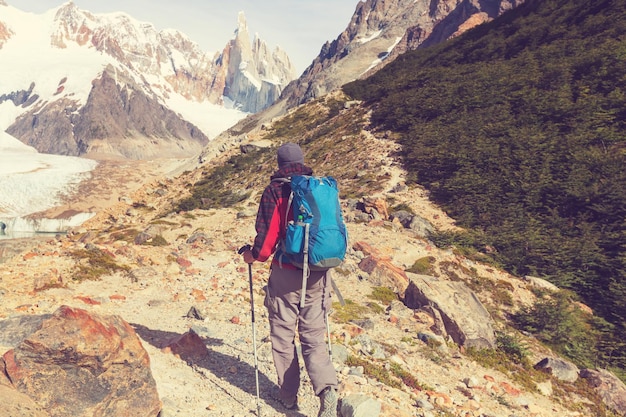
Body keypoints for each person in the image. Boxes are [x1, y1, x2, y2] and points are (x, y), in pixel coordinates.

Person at [241, 142, 339, 417]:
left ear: (279, 163)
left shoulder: (276, 190)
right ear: (302, 160)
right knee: (314, 339)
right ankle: (327, 390)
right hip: (319, 273)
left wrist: (252, 255)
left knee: (283, 337)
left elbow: (266, 241)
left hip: (287, 274)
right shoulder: (319, 188)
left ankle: (288, 397)